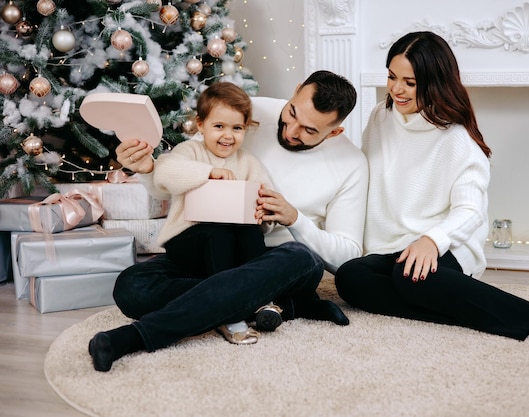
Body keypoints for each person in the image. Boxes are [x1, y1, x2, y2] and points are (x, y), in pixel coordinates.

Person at [89, 71, 369, 372]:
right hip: (204, 251)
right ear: (296, 90)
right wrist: (146, 169)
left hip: (272, 261)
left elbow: (347, 258)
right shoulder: (242, 110)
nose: (291, 130)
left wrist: (295, 219)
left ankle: (133, 337)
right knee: (131, 286)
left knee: (303, 258)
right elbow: (174, 178)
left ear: (334, 133)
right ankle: (286, 304)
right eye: (291, 113)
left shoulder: (351, 165)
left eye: (309, 131)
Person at [334, 31, 529, 349]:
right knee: (350, 278)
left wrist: (431, 241)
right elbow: (366, 170)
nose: (396, 89)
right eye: (392, 77)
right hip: (390, 247)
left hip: (446, 245)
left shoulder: (458, 138)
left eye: (409, 82)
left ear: (434, 81)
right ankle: (463, 312)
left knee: (410, 278)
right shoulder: (381, 117)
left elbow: (471, 211)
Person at [153, 82, 276, 345]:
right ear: (201, 125)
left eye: (237, 128)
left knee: (249, 231)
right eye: (218, 126)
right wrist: (208, 173)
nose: (227, 136)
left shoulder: (248, 162)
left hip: (231, 249)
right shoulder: (190, 151)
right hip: (187, 242)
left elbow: (266, 199)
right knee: (217, 231)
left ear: (245, 129)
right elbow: (164, 172)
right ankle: (229, 316)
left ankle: (261, 301)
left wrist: (264, 213)